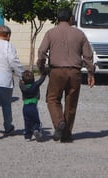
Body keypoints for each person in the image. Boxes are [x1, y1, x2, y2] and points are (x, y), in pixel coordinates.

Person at [37, 8, 95, 143]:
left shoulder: (50, 33)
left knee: (52, 99)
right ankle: (66, 134)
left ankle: (59, 122)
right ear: (71, 19)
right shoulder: (80, 34)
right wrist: (90, 72)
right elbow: (87, 56)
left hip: (56, 71)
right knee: (71, 102)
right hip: (75, 72)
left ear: (57, 19)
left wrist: (42, 68)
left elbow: (41, 52)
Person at [19, 70, 47, 142]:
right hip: (33, 106)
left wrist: (21, 80)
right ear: (33, 79)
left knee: (27, 121)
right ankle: (36, 129)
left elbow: (20, 83)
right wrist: (44, 74)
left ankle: (27, 136)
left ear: (23, 81)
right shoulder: (35, 85)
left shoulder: (23, 87)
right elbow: (40, 80)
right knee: (36, 121)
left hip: (25, 107)